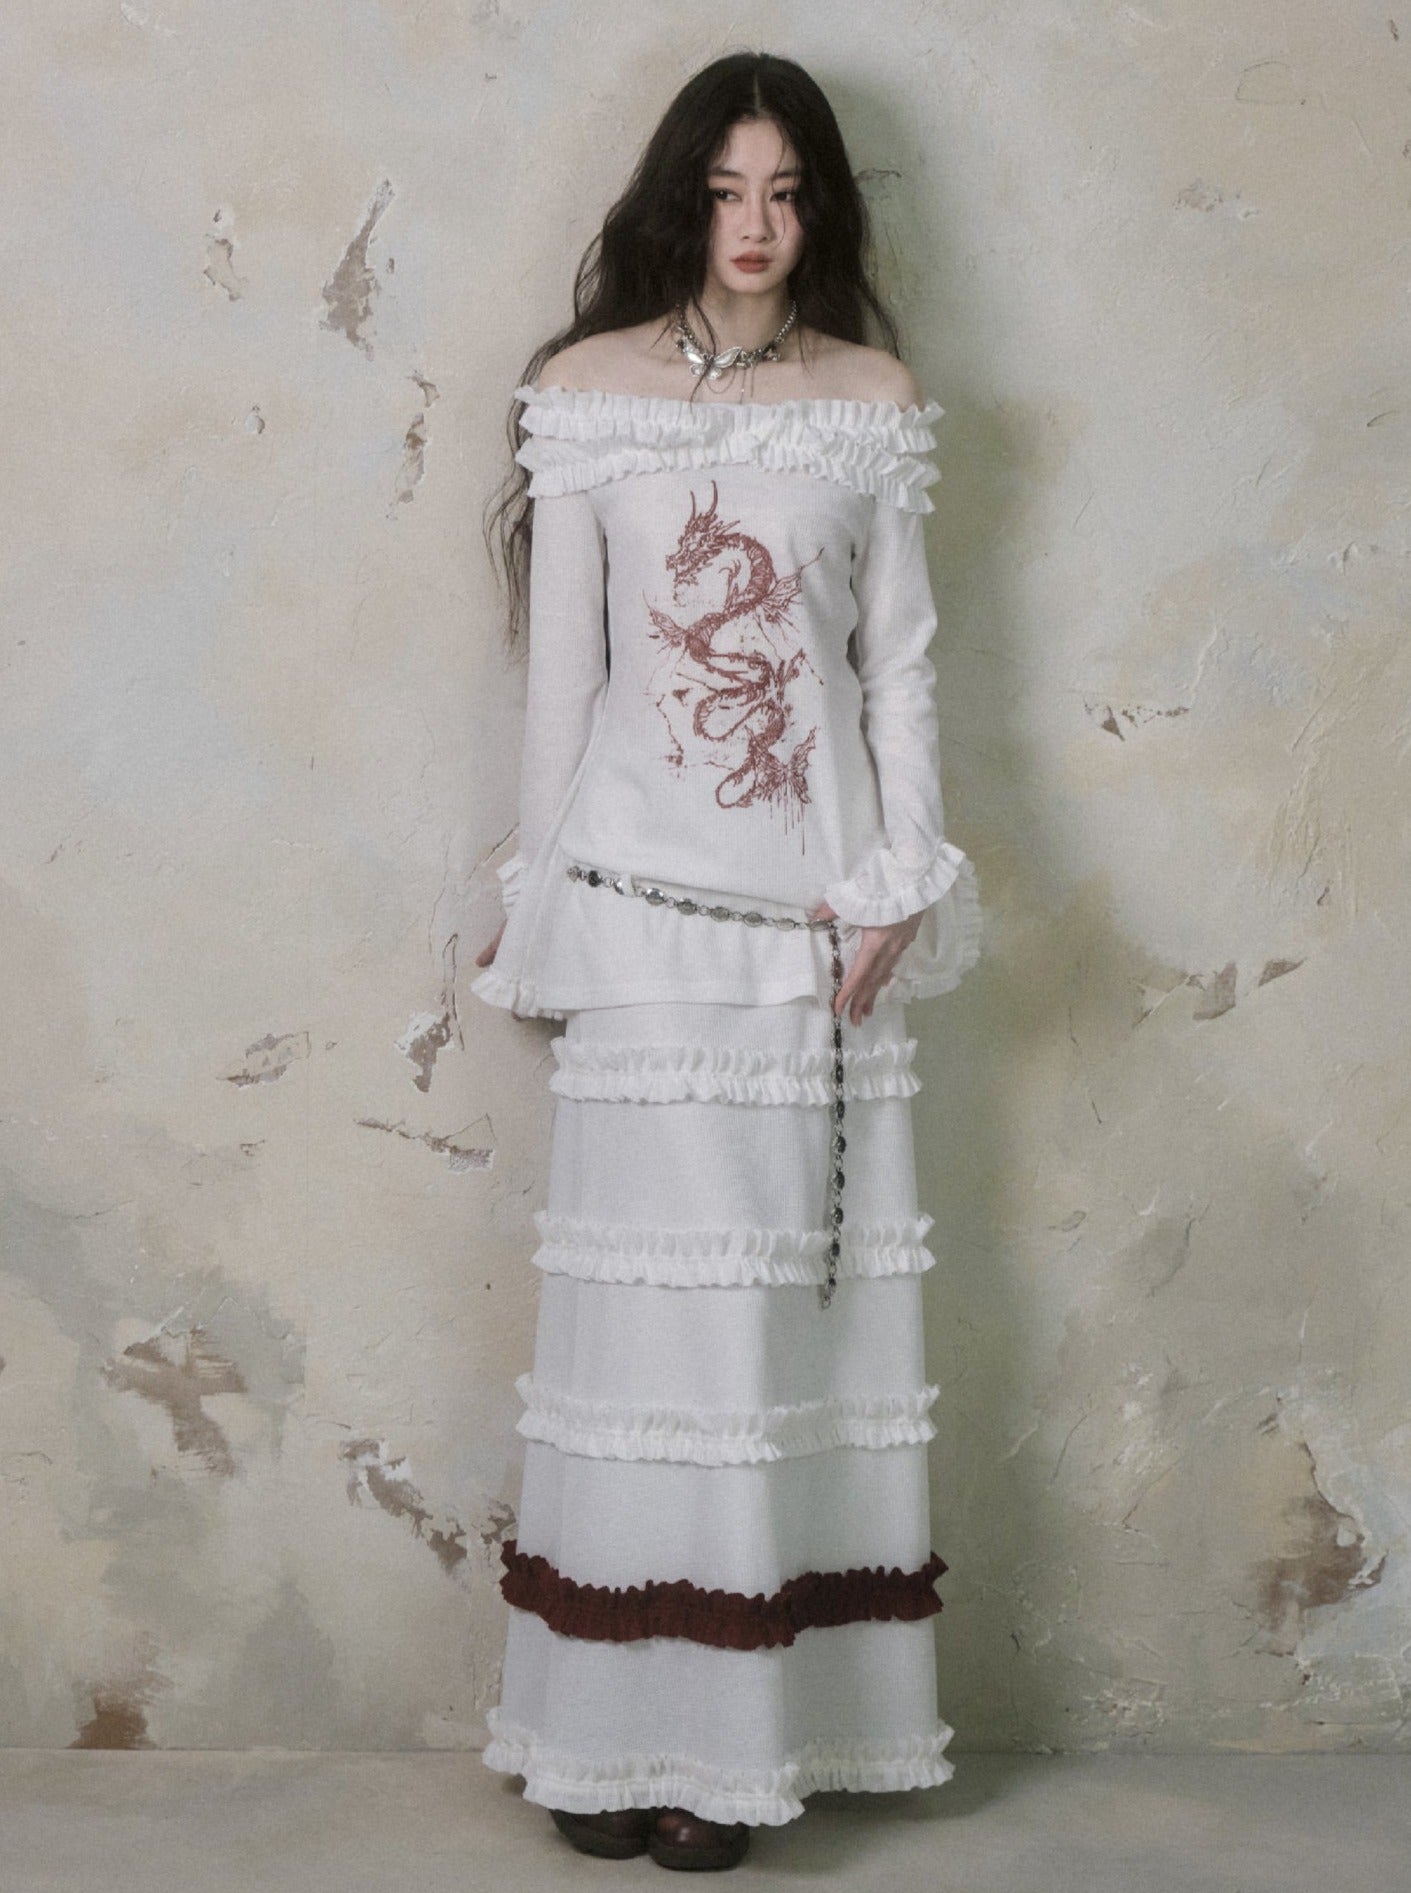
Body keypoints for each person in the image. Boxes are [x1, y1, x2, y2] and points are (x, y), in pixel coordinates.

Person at [471, 50, 983, 1873]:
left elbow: (894, 665)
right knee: (642, 1341)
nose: (754, 226)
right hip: (636, 919)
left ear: (818, 205)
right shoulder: (587, 394)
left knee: (766, 1339)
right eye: (723, 191)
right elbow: (566, 684)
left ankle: (732, 1751)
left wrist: (902, 874)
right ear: (678, 199)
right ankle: (601, 1739)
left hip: (808, 934)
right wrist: (535, 893)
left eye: (785, 192)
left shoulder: (869, 402)